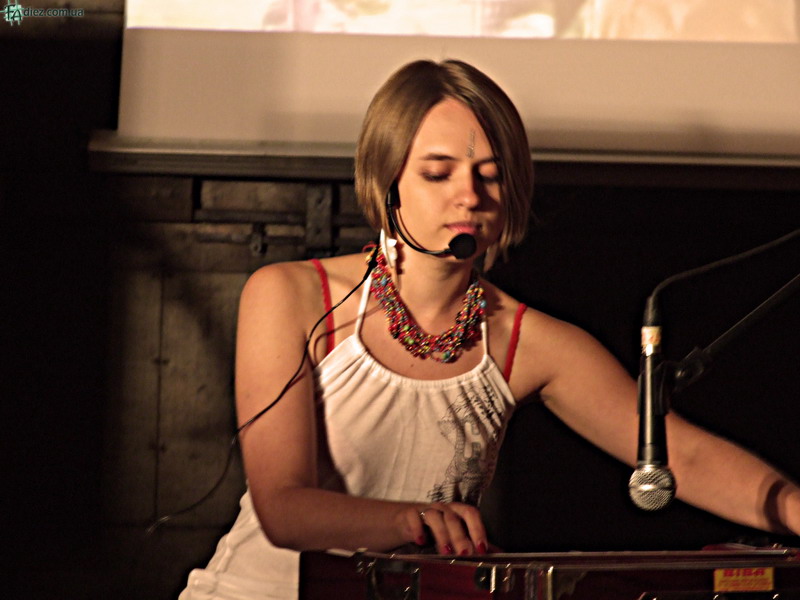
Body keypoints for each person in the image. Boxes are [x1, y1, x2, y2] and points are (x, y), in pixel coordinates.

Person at [179, 59, 800, 600]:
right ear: (387, 182)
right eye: (438, 173)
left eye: (490, 174)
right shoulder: (289, 294)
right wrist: (413, 521)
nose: (469, 195)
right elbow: (284, 508)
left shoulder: (533, 341)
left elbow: (677, 456)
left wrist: (794, 508)